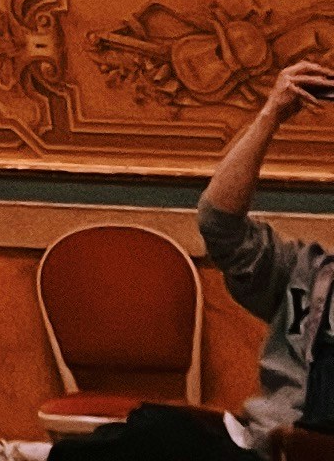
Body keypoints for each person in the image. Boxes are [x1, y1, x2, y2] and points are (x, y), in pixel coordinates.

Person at [40, 53, 334, 461]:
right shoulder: (308, 272)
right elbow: (219, 223)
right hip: (261, 446)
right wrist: (271, 114)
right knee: (147, 431)